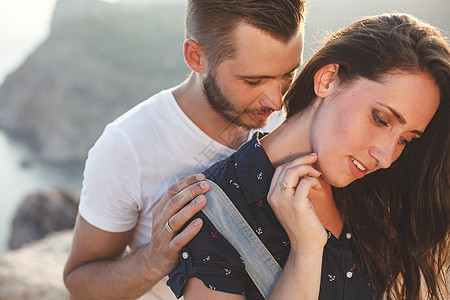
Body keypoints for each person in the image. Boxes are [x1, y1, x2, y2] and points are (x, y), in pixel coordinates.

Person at [168, 13, 450, 300]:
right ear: (328, 80)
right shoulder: (216, 212)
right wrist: (306, 251)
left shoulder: (381, 194)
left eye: (406, 140)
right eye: (379, 119)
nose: (386, 157)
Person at [63, 0, 307, 299]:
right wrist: (152, 261)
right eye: (253, 81)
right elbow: (79, 283)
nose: (276, 102)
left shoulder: (295, 115)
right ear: (196, 57)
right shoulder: (127, 147)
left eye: (287, 75)